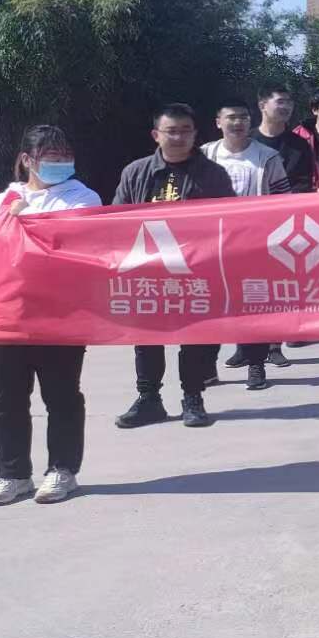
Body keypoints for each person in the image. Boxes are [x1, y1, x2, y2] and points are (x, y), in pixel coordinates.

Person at [112, 104, 236, 429]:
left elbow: (229, 223)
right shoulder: (135, 172)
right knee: (146, 338)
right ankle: (148, 399)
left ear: (195, 134)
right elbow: (116, 220)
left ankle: (193, 398)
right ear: (156, 135)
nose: (179, 137)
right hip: (147, 271)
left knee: (194, 337)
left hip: (194, 270)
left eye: (185, 130)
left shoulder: (213, 175)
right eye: (171, 131)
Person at [0, 126, 101, 505]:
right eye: (50, 156)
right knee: (6, 400)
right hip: (8, 317)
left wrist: (20, 220)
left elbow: (70, 243)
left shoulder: (81, 197)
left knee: (61, 395)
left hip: (60, 316)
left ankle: (62, 470)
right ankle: (13, 474)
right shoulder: (3, 199)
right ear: (27, 160)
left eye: (64, 155)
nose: (60, 162)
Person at [204, 101, 293, 389]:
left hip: (255, 243)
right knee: (211, 305)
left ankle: (256, 365)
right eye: (231, 117)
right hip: (211, 244)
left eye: (243, 117)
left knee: (254, 305)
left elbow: (283, 200)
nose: (238, 122)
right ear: (218, 122)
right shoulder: (204, 155)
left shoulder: (267, 156)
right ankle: (206, 367)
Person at [255, 87, 313, 369]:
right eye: (280, 101)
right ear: (262, 105)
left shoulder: (299, 145)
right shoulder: (248, 142)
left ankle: (274, 344)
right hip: (247, 225)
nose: (286, 106)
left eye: (289, 102)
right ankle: (246, 345)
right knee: (248, 286)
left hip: (284, 225)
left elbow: (303, 184)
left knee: (278, 288)